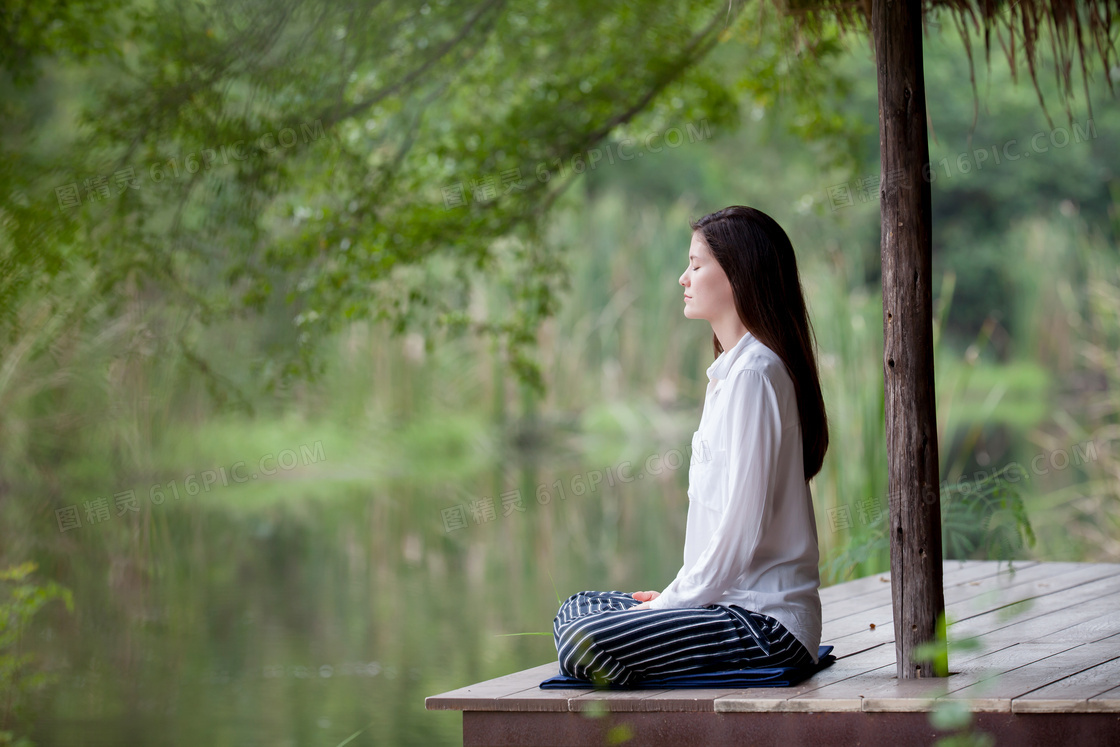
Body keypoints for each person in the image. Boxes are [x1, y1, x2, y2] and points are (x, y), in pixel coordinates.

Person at [552, 205, 830, 686]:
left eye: (697, 265)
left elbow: (739, 534)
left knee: (585, 637)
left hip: (765, 626)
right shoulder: (728, 373)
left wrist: (672, 604)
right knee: (577, 607)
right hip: (724, 607)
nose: (684, 277)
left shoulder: (756, 375)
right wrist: (673, 596)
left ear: (738, 275)